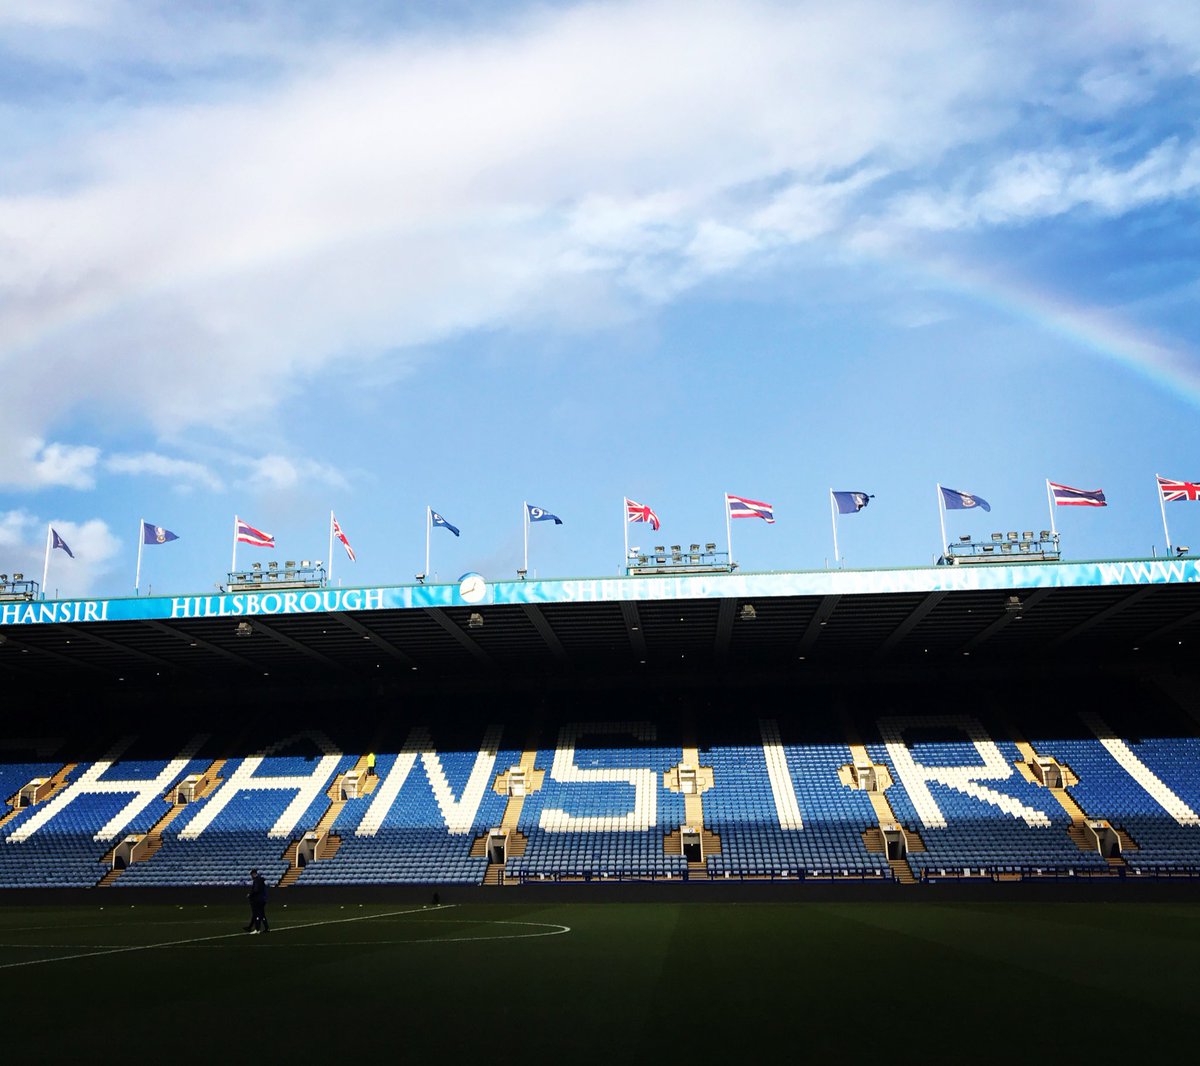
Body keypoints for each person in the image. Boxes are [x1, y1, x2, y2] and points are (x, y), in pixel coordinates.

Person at [244, 869, 269, 934]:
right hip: (263, 899)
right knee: (262, 914)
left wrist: (250, 895)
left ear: (253, 874)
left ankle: (257, 929)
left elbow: (256, 890)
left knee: (257, 914)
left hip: (258, 900)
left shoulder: (256, 881)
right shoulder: (261, 880)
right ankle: (266, 927)